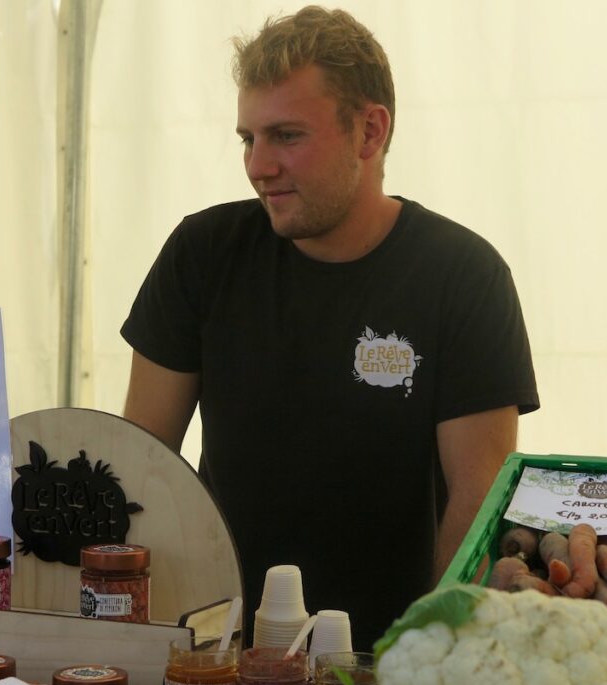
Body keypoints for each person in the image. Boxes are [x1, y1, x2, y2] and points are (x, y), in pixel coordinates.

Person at [120, 5, 539, 651]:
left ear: (369, 132)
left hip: (384, 662)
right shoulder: (203, 252)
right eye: (247, 138)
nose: (258, 165)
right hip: (217, 652)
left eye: (286, 135)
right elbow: (142, 467)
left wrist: (423, 660)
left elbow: (477, 504)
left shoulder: (462, 275)